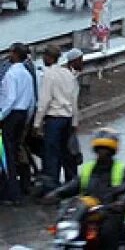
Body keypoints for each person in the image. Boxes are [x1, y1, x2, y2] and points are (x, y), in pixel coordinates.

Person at [46, 128, 125, 250]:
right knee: (62, 228)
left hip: (110, 211)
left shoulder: (121, 170)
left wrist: (120, 202)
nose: (102, 153)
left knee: (107, 233)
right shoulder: (88, 168)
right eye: (100, 150)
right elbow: (74, 185)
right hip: (87, 211)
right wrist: (55, 193)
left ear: (111, 152)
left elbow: (124, 191)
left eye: (105, 150)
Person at [34, 48, 82, 187]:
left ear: (48, 57)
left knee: (51, 155)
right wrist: (75, 122)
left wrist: (37, 123)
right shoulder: (68, 74)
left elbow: (45, 100)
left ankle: (52, 187)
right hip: (67, 119)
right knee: (67, 153)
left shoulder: (48, 75)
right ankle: (71, 184)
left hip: (54, 119)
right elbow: (74, 100)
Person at [0, 43, 36, 203]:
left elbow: (10, 98)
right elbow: (31, 100)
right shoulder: (27, 74)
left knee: (7, 157)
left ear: (14, 54)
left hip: (11, 115)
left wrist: (1, 116)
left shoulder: (10, 74)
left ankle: (11, 193)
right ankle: (21, 189)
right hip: (22, 115)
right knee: (16, 152)